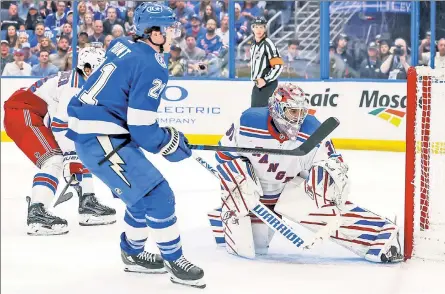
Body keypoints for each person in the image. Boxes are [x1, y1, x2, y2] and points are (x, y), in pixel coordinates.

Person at [65, 2, 205, 289]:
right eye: (167, 28)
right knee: (159, 194)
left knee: (140, 197)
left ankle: (133, 253)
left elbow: (123, 97)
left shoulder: (120, 44)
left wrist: (161, 137)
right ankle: (175, 260)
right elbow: (141, 128)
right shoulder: (152, 65)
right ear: (152, 33)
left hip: (97, 132)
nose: (172, 33)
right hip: (101, 137)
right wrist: (167, 143)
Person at [207, 83, 403, 263]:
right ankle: (225, 217)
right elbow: (223, 156)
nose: (298, 118)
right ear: (277, 108)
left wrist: (325, 179)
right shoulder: (248, 122)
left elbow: (333, 163)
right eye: (293, 112)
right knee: (255, 249)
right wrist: (240, 180)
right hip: (254, 195)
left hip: (287, 189)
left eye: (302, 112)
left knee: (320, 203)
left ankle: (380, 236)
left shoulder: (312, 130)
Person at [3, 47, 116, 236]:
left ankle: (87, 203)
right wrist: (70, 157)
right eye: (101, 69)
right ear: (87, 69)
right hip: (22, 111)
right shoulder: (76, 86)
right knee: (53, 160)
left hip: (34, 113)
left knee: (80, 148)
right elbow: (60, 124)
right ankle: (38, 212)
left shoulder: (83, 83)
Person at [249, 16, 283, 107]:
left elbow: (278, 66)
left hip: (268, 86)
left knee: (265, 115)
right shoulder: (253, 45)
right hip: (257, 86)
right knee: (254, 114)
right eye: (256, 27)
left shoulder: (268, 44)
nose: (258, 29)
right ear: (252, 28)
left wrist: (265, 79)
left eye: (261, 27)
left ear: (265, 29)